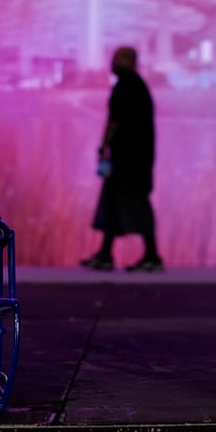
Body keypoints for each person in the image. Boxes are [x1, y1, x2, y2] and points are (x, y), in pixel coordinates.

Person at [81, 45, 163, 272]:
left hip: (129, 160)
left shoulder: (125, 87)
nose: (113, 62)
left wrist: (104, 146)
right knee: (115, 203)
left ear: (129, 61)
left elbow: (115, 121)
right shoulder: (137, 86)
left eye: (119, 58)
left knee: (134, 204)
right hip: (136, 159)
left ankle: (152, 256)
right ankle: (107, 254)